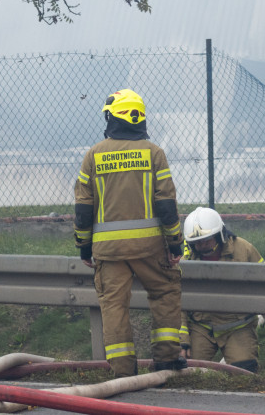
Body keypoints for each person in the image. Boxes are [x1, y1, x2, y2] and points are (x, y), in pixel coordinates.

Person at [74, 89, 187, 377]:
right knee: (164, 293)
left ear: (114, 116)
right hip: (150, 249)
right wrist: (175, 244)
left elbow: (83, 209)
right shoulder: (154, 153)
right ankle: (166, 362)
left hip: (108, 254)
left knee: (114, 308)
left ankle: (123, 372)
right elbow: (166, 205)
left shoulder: (94, 156)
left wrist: (84, 247)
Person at [178, 207, 265, 373]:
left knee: (244, 374)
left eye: (206, 241)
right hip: (201, 327)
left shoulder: (243, 250)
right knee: (188, 373)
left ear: (220, 235)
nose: (202, 246)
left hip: (238, 326)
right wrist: (183, 341)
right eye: (197, 243)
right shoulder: (187, 260)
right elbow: (178, 299)